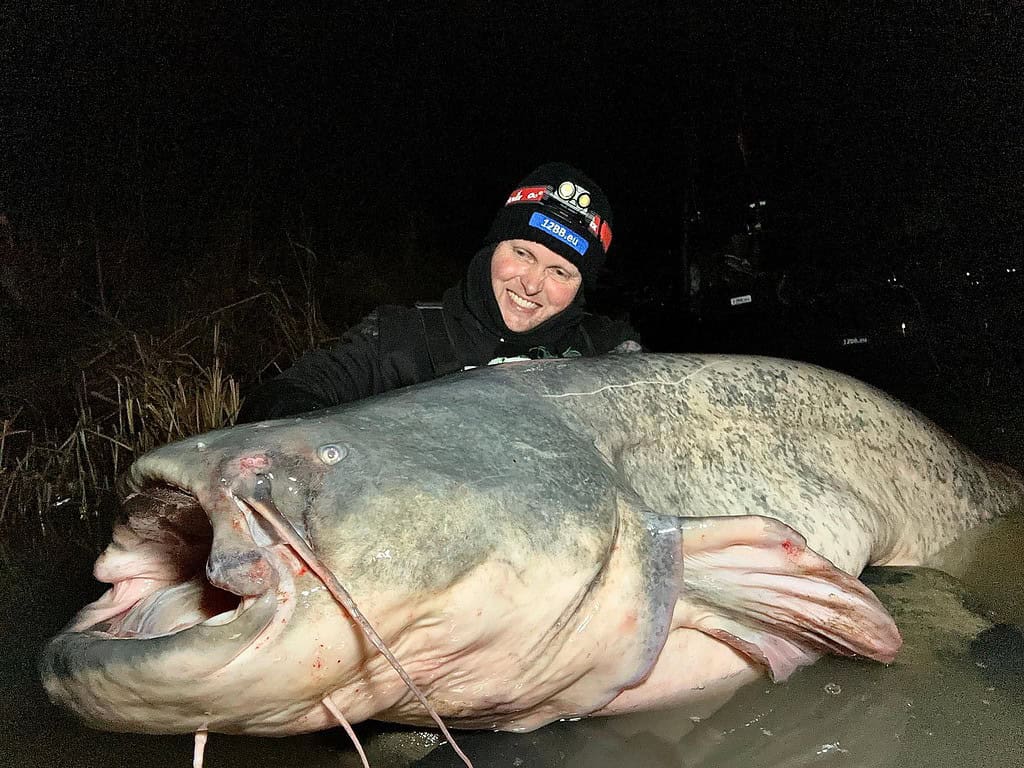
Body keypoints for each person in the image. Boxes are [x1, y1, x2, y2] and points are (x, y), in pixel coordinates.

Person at [237, 162, 643, 423]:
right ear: (492, 250)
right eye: (522, 253)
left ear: (581, 288)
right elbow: (280, 396)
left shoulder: (608, 356)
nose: (532, 284)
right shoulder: (404, 337)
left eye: (560, 272)